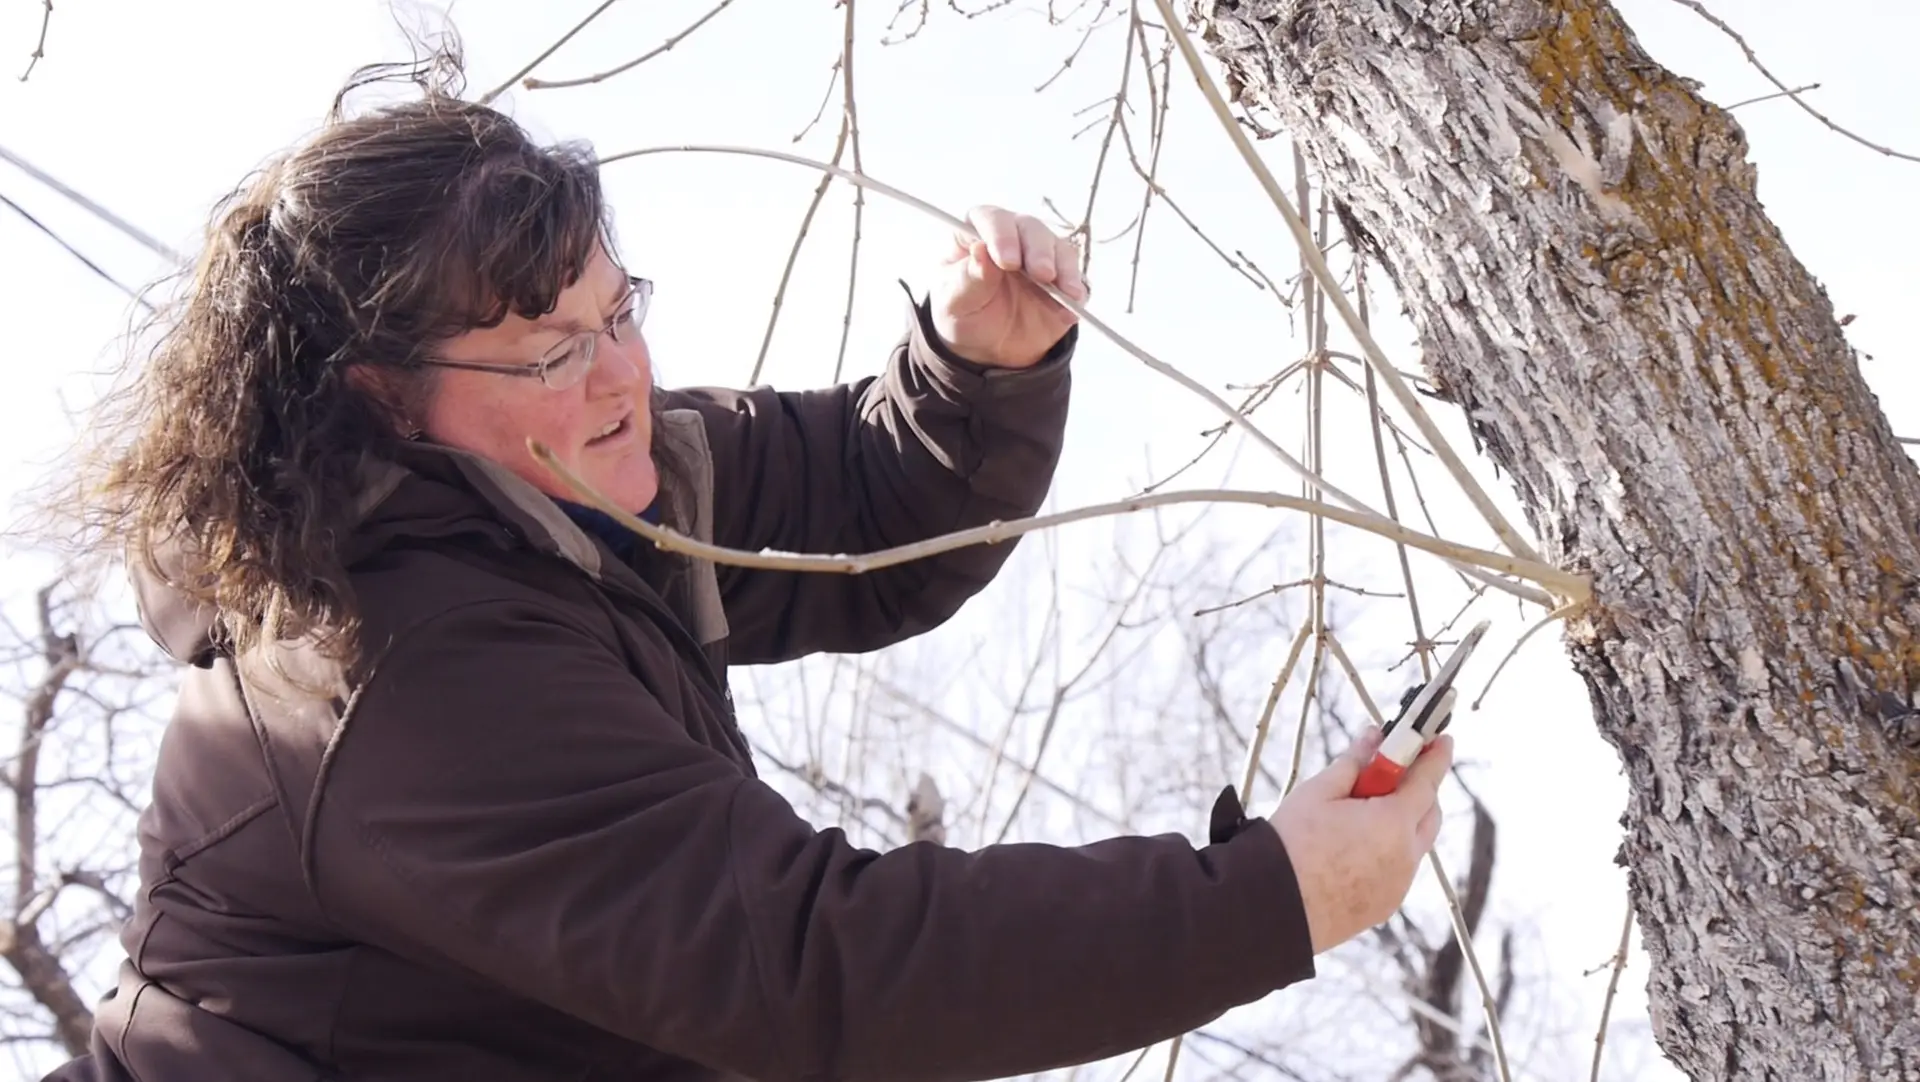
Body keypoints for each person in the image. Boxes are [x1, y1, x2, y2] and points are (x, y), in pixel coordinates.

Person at [44, 47, 1451, 1082]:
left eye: (620, 312)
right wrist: (1270, 897)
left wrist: (976, 361)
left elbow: (871, 500)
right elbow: (816, 963)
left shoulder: (568, 477)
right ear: (378, 397)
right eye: (554, 350)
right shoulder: (395, 672)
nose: (621, 379)